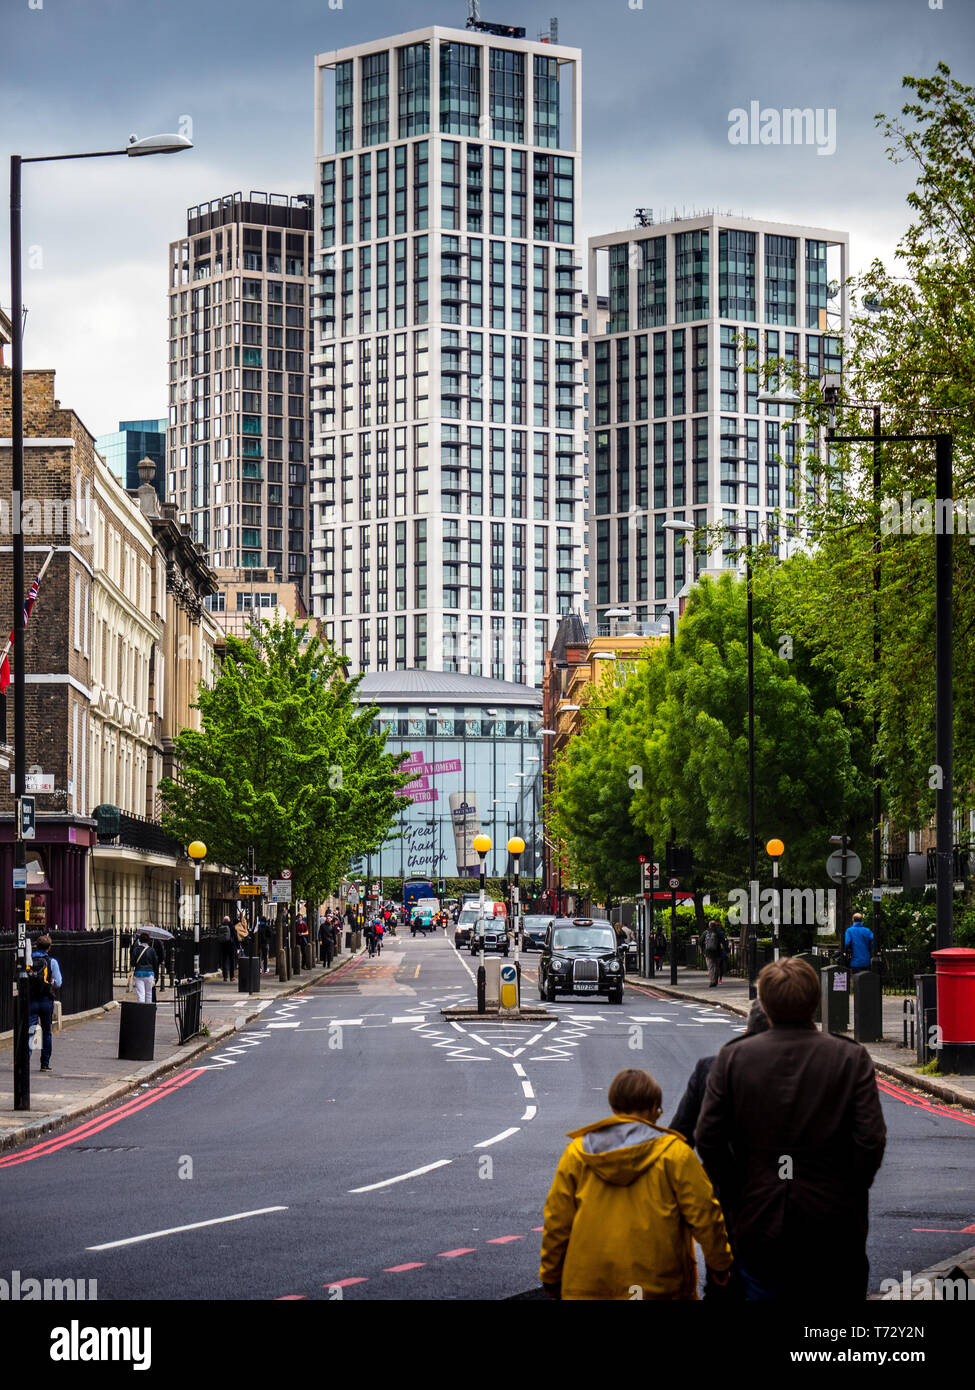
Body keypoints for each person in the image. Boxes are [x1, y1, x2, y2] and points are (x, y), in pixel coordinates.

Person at [695, 957, 886, 1301]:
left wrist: (739, 1189)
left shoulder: (734, 1057)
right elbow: (870, 1140)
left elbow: (708, 1137)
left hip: (758, 1224)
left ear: (764, 1004)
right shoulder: (849, 1057)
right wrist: (845, 1190)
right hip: (835, 1228)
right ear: (816, 1003)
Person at [538, 1068, 733, 1301]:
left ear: (613, 1109)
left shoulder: (577, 1154)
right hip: (660, 1284)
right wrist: (719, 1264)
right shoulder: (675, 1155)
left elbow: (557, 1221)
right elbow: (705, 1216)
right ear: (653, 1109)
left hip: (587, 1285)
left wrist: (551, 1274)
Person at [669, 1000, 770, 1148]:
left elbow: (680, 1140)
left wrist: (720, 1169)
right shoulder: (813, 1068)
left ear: (747, 1030)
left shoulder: (711, 1070)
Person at [28, 934, 62, 1073]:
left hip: (31, 1000)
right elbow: (58, 983)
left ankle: (26, 1060)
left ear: (36, 946)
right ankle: (45, 1064)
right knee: (47, 1032)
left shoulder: (29, 960)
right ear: (49, 948)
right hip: (46, 1000)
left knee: (30, 1031)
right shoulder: (52, 962)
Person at [130, 931, 159, 1005]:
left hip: (138, 973)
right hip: (149, 974)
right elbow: (155, 964)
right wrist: (156, 976)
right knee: (149, 994)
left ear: (140, 940)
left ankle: (141, 1011)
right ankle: (148, 1012)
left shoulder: (136, 949)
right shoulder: (152, 950)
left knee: (141, 994)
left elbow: (132, 963)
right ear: (148, 940)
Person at [701, 919, 728, 988]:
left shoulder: (705, 932)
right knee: (716, 967)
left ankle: (712, 980)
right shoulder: (718, 932)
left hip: (708, 953)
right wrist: (727, 951)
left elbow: (700, 941)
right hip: (717, 952)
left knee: (711, 967)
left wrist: (703, 951)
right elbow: (724, 942)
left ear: (709, 925)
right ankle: (715, 980)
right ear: (715, 925)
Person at [217, 916, 236, 981]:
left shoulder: (220, 927)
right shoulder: (231, 926)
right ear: (229, 920)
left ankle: (225, 977)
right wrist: (238, 946)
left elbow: (218, 936)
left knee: (224, 961)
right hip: (231, 945)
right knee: (232, 961)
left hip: (223, 946)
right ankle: (232, 976)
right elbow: (235, 936)